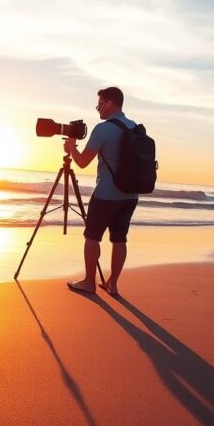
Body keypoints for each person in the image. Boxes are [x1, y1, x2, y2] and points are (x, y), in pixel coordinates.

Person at [63, 86, 139, 297]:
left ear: (110, 104)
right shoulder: (134, 127)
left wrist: (71, 148)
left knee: (92, 237)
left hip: (107, 193)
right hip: (131, 195)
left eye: (99, 104)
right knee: (120, 239)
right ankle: (113, 284)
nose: (97, 109)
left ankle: (89, 282)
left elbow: (83, 162)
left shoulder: (103, 129)